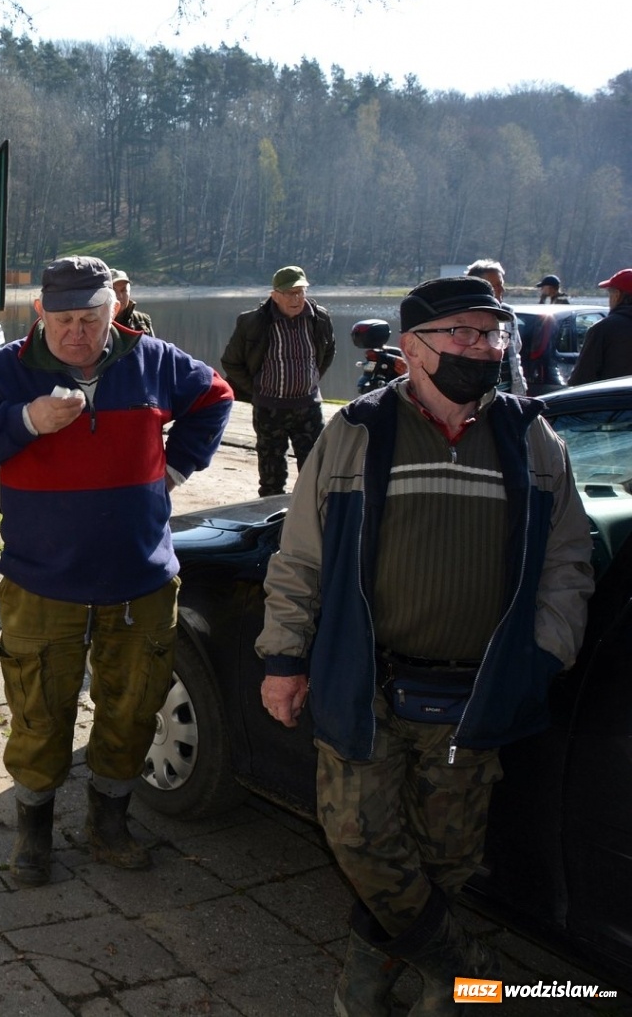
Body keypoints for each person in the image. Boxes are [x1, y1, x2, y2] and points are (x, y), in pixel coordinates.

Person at [257, 275, 594, 1016]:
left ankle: (372, 983)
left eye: (494, 334)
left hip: (475, 695)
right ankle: (468, 967)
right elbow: (301, 557)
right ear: (411, 348)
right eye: (466, 335)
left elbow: (570, 560)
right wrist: (284, 659)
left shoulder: (530, 435)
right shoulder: (357, 432)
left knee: (443, 859)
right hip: (365, 685)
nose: (486, 348)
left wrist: (547, 651)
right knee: (359, 840)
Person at [0, 256, 231, 883]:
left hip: (141, 581)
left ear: (113, 309)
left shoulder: (151, 359)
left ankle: (109, 824)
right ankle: (34, 835)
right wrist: (25, 421)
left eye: (91, 317)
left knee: (133, 710)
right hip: (44, 584)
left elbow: (215, 396)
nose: (78, 331)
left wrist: (173, 469)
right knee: (40, 715)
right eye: (64, 318)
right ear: (41, 312)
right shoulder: (8, 371)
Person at [220, 265, 336, 497]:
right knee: (272, 478)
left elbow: (328, 351)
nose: (296, 298)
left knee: (315, 474)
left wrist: (310, 380)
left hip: (308, 409)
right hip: (269, 411)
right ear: (274, 295)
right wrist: (258, 391)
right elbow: (231, 362)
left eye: (300, 291)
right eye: (290, 293)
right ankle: (272, 527)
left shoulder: (319, 318)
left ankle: (311, 524)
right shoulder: (253, 322)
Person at [464, 259, 529, 395]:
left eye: (502, 285)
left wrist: (520, 388)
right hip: (478, 394)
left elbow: (515, 354)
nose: (502, 290)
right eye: (496, 286)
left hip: (508, 392)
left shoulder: (508, 314)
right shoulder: (463, 317)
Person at [568, 268, 632, 385]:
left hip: (611, 400)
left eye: (610, 293)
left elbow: (581, 379)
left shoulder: (603, 329)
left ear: (617, 295)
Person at [110, 269, 154, 335]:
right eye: (114, 291)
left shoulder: (141, 320)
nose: (119, 296)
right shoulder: (96, 321)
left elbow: (154, 344)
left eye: (123, 290)